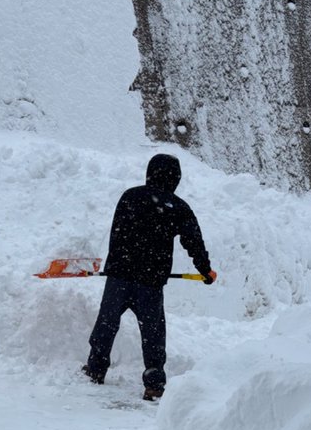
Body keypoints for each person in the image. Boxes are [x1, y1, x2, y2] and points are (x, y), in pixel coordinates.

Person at [82, 153, 215, 400]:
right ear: (175, 178)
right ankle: (154, 384)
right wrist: (205, 269)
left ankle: (96, 368)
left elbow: (117, 232)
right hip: (150, 282)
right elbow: (193, 241)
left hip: (119, 276)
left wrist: (120, 262)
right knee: (153, 333)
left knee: (106, 323)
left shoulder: (130, 196)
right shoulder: (177, 207)